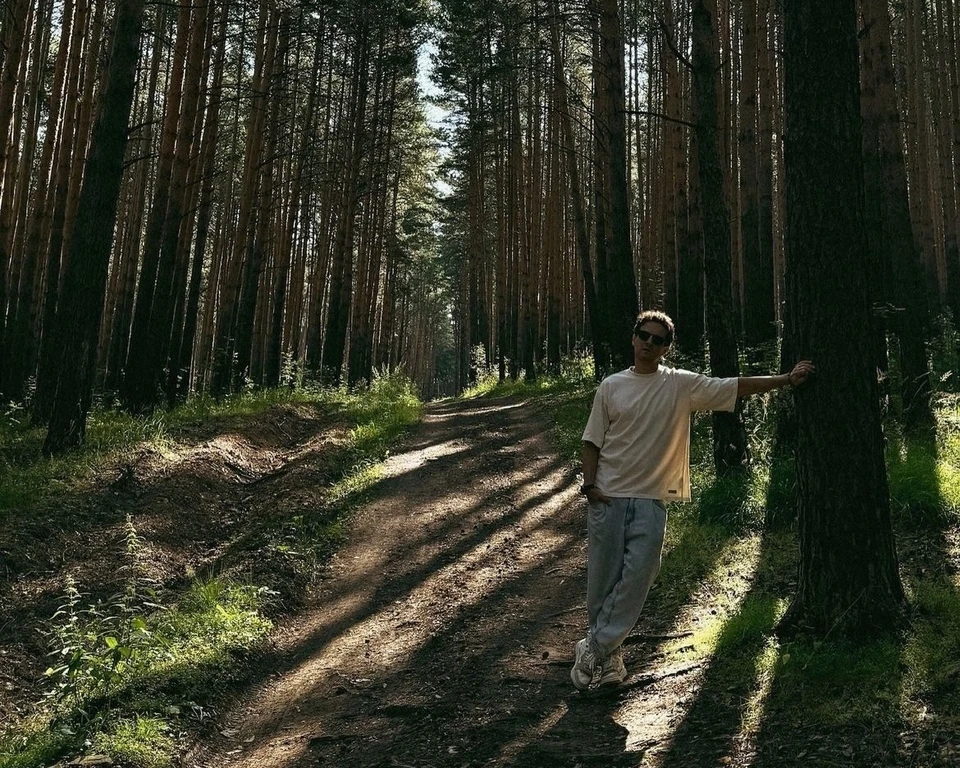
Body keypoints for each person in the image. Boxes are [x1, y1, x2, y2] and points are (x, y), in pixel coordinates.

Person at [571, 310, 814, 690]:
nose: (649, 344)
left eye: (658, 340)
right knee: (602, 582)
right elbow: (591, 441)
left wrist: (785, 379)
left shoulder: (681, 385)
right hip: (608, 495)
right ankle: (609, 661)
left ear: (667, 348)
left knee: (638, 577)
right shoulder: (611, 386)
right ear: (633, 339)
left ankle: (594, 647)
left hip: (651, 499)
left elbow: (733, 385)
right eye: (644, 336)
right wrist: (590, 487)